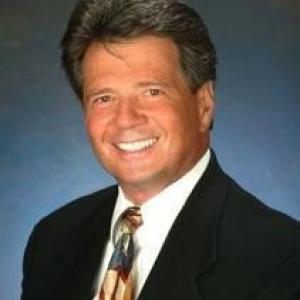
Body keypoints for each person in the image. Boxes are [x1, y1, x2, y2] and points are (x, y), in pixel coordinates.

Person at [21, 0, 300, 299]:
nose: (126, 118)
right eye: (104, 98)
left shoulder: (282, 257)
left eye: (152, 92)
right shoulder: (52, 239)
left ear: (203, 105)